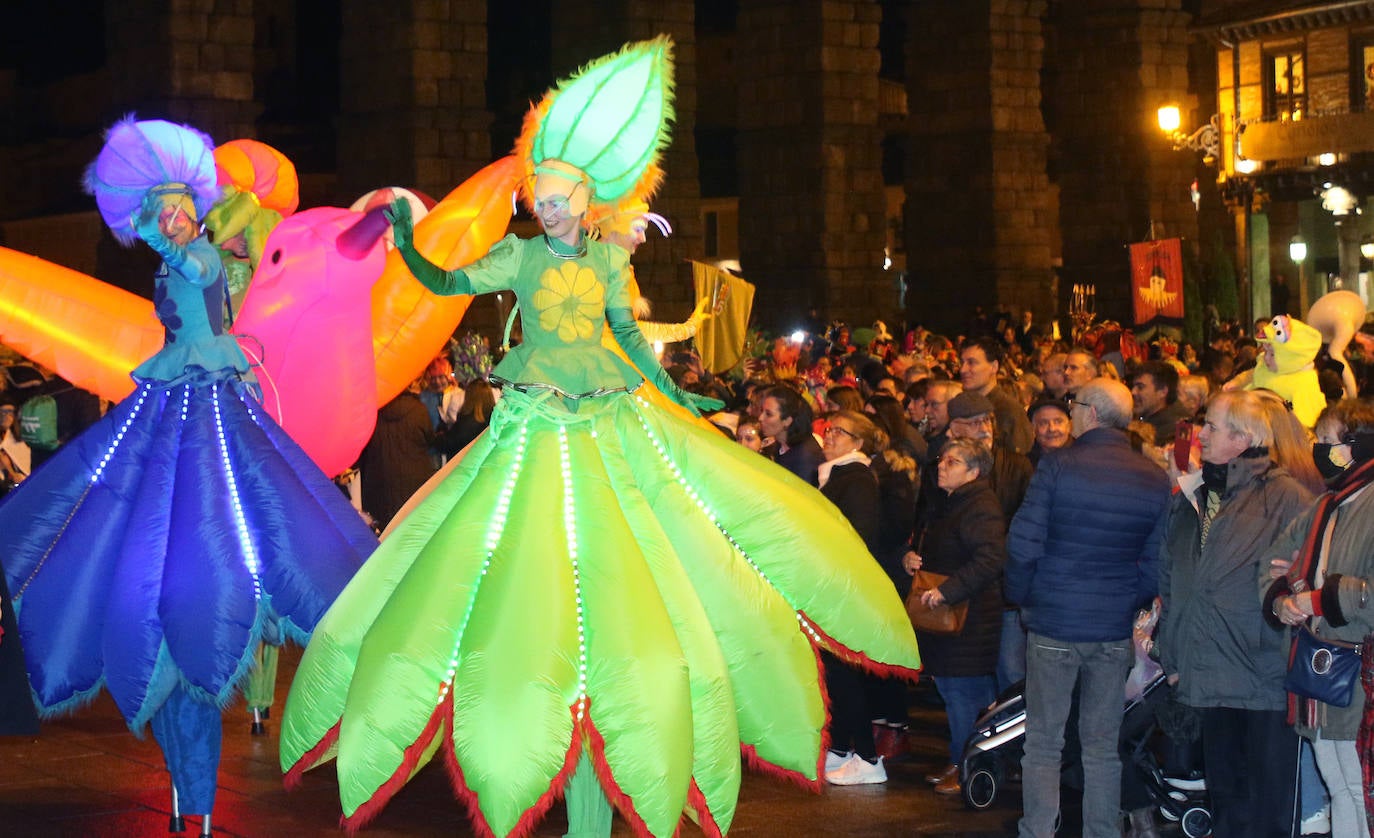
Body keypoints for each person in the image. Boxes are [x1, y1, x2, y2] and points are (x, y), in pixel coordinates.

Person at [278, 37, 921, 838]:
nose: (547, 210)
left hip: (607, 421)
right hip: (532, 427)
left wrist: (678, 387)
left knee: (639, 574)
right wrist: (408, 240)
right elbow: (446, 283)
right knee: (506, 572)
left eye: (559, 200)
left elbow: (625, 338)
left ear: (585, 205)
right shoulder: (515, 257)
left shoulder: (612, 268)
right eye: (539, 200)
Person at [0, 117, 376, 831]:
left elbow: (204, 271)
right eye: (161, 212)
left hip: (213, 406)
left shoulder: (198, 258)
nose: (173, 220)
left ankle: (210, 767)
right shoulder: (166, 263)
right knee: (116, 515)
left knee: (252, 521)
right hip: (166, 407)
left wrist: (191, 249)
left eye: (181, 209)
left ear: (195, 212)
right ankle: (187, 795)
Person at [1005, 378, 1171, 838]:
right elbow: (1155, 563)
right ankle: (1102, 831)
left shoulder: (1059, 467)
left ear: (1092, 414)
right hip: (1112, 629)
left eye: (1074, 405)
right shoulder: (1152, 477)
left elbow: (1023, 542)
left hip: (1055, 621)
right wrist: (1126, 600)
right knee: (1101, 746)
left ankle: (1037, 831)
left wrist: (1025, 595)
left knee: (1043, 743)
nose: (1071, 411)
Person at [1154, 390, 1316, 838]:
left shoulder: (1285, 497)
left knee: (1266, 807)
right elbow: (1172, 580)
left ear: (1242, 439)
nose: (1199, 434)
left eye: (1211, 426)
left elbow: (1307, 577)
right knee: (1226, 801)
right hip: (1208, 673)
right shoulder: (1197, 496)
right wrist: (1173, 658)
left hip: (1262, 675)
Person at [1263, 399, 1374, 837]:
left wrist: (1317, 598)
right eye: (1319, 439)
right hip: (1325, 669)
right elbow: (1273, 563)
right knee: (1339, 783)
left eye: (1329, 441)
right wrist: (1281, 600)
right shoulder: (1329, 504)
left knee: (1357, 787)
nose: (1319, 449)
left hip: (1360, 676)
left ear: (1359, 445)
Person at [901, 437, 1006, 796]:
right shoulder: (951, 502)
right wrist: (912, 559)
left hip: (969, 620)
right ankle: (960, 760)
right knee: (954, 692)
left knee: (965, 696)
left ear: (974, 472)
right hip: (950, 619)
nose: (942, 466)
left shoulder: (980, 506)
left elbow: (989, 560)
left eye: (953, 462)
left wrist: (948, 591)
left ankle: (970, 767)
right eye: (942, 460)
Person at [817, 410, 888, 785]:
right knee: (835, 673)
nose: (828, 436)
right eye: (827, 430)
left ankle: (868, 756)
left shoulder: (857, 479)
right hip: (833, 583)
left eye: (838, 432)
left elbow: (858, 536)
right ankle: (842, 748)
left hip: (844, 587)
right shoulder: (837, 474)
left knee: (845, 674)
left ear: (858, 443)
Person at [358, 378, 437, 530]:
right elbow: (429, 439)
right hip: (414, 486)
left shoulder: (373, 413)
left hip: (379, 487)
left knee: (386, 536)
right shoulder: (418, 410)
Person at [959, 337, 1034, 456]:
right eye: (962, 363)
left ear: (994, 367)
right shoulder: (961, 406)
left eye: (971, 363)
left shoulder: (1009, 411)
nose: (963, 370)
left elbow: (1019, 464)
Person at [760, 384, 824, 485]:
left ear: (787, 421)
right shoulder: (781, 443)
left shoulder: (804, 458)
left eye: (768, 414)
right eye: (761, 411)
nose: (760, 418)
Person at [1130, 360, 1190, 447]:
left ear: (1162, 392)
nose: (1133, 392)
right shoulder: (1146, 419)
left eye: (1140, 387)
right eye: (1134, 386)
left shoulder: (1177, 432)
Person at [1026, 397, 1072, 467]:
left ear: (1069, 426)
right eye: (1043, 423)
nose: (1052, 429)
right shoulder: (1025, 465)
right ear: (1033, 429)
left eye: (1058, 422)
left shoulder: (1084, 458)